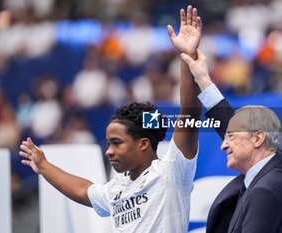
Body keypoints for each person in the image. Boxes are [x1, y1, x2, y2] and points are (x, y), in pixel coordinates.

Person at [19, 6, 202, 232]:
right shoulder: (118, 187)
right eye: (109, 144)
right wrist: (44, 166)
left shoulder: (171, 172)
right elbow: (82, 190)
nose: (109, 151)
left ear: (143, 143)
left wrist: (187, 56)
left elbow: (189, 114)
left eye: (117, 143)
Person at [169, 6, 282, 233]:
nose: (223, 143)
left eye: (230, 137)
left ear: (258, 138)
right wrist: (202, 75)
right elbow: (233, 124)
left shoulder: (269, 188)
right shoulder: (277, 171)